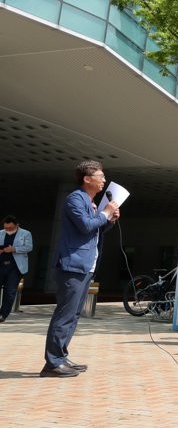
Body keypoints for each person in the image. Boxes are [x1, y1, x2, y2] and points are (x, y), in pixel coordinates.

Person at [42, 160, 120, 377]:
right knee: (65, 314)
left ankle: (61, 357)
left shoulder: (91, 201)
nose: (104, 180)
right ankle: (52, 363)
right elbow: (85, 225)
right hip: (72, 265)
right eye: (100, 176)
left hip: (85, 265)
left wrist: (109, 220)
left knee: (74, 314)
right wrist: (105, 213)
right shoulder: (75, 198)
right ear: (87, 179)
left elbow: (94, 231)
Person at [0, 215, 32, 323]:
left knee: (10, 291)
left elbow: (29, 247)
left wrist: (14, 249)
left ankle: (3, 314)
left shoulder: (26, 233)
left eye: (10, 228)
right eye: (6, 228)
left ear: (17, 225)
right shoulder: (0, 233)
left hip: (16, 267)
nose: (7, 230)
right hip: (1, 264)